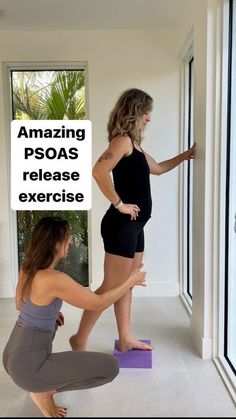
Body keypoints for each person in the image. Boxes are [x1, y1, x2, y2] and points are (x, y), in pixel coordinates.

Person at [70, 87, 196, 353]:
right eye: (146, 112)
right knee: (111, 287)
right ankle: (79, 338)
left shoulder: (135, 145)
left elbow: (159, 168)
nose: (149, 118)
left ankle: (126, 338)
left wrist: (186, 156)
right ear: (134, 111)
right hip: (121, 227)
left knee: (127, 285)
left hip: (136, 226)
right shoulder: (122, 141)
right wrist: (119, 204)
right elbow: (98, 171)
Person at [2, 216, 146, 418]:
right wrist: (130, 280)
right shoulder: (55, 279)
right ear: (54, 244)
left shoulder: (28, 267)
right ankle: (44, 391)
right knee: (110, 367)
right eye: (67, 238)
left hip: (11, 356)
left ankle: (38, 384)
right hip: (28, 369)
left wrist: (49, 311)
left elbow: (20, 304)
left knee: (51, 323)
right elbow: (100, 302)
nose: (70, 241)